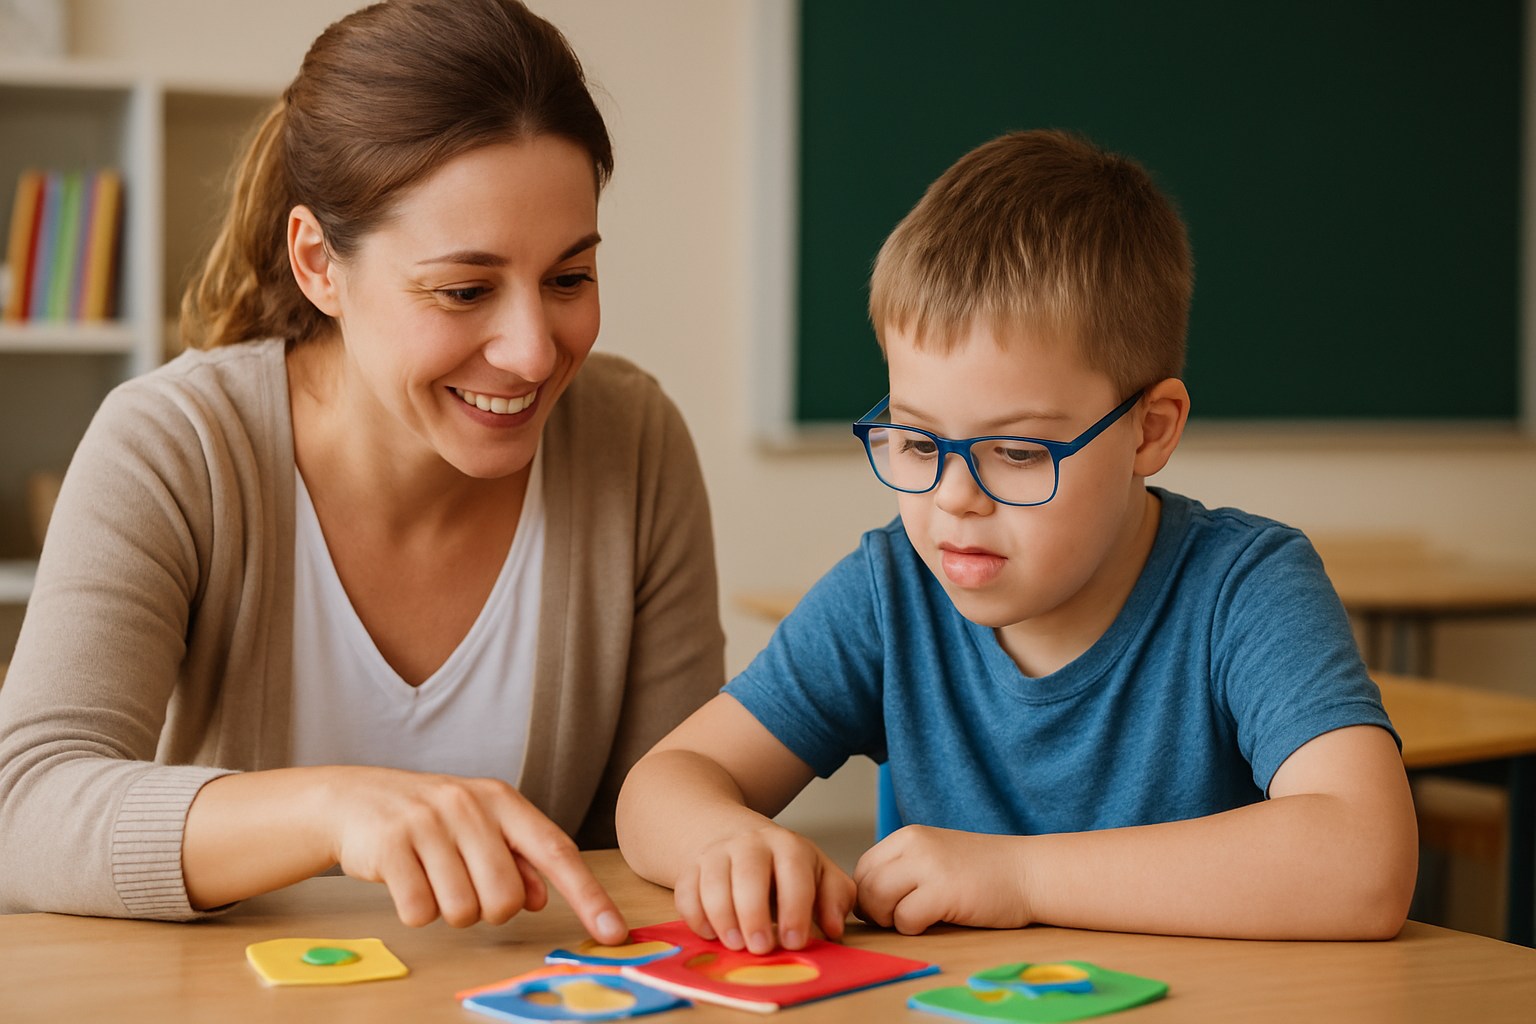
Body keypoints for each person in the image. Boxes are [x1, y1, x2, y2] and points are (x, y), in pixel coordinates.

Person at [0, 0, 724, 940]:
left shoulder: (634, 442)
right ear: (318, 265)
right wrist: (334, 809)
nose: (535, 353)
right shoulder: (175, 446)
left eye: (568, 278)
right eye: (464, 290)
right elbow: (25, 809)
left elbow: (662, 817)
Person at [616, 130, 1419, 950]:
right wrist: (729, 844)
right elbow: (659, 788)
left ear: (1150, 430)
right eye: (919, 444)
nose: (955, 500)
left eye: (1018, 452)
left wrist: (1019, 875)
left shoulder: (1245, 587)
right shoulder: (893, 590)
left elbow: (1365, 865)